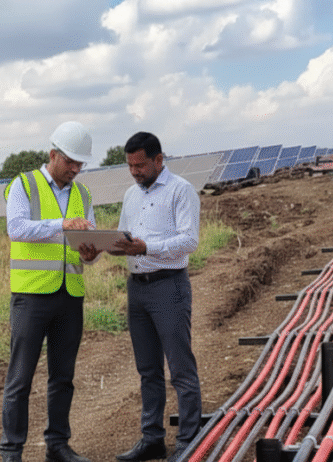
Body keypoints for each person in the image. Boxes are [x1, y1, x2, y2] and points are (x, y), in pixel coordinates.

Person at [0, 121, 97, 462]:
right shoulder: (23, 184)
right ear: (53, 154)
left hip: (70, 294)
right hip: (31, 297)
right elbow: (17, 229)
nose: (75, 169)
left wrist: (93, 251)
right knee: (20, 379)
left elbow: (90, 237)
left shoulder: (83, 194)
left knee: (63, 377)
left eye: (80, 164)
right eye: (70, 161)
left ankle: (58, 445)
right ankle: (11, 452)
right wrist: (62, 225)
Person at [112, 132, 202, 462]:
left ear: (158, 160)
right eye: (130, 166)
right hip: (137, 287)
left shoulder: (181, 191)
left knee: (180, 368)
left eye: (140, 165)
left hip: (168, 286)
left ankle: (189, 441)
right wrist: (105, 247)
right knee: (148, 370)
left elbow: (189, 241)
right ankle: (152, 438)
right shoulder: (130, 196)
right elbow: (125, 239)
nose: (134, 172)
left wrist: (147, 247)